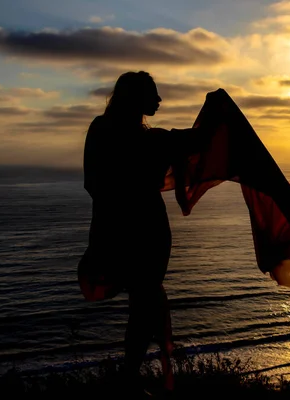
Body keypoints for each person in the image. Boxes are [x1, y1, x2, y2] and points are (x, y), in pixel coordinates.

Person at [80, 71, 204, 397]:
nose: (160, 100)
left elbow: (92, 184)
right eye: (154, 94)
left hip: (128, 230)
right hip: (144, 231)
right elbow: (196, 139)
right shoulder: (150, 140)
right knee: (144, 304)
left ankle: (129, 379)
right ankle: (130, 379)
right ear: (136, 98)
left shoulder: (108, 131)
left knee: (143, 304)